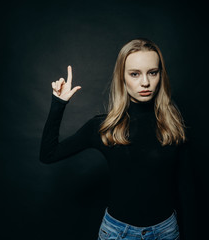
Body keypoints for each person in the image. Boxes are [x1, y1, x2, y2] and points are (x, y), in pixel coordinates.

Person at [40, 38, 195, 240]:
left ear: (160, 75)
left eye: (152, 73)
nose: (145, 82)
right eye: (134, 74)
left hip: (166, 231)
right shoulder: (104, 127)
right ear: (122, 77)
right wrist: (58, 104)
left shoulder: (173, 123)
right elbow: (48, 154)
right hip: (118, 234)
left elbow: (187, 188)